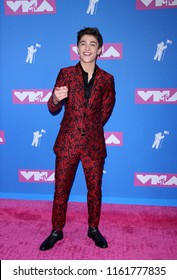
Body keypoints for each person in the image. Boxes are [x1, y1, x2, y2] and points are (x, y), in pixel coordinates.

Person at [40, 27, 116, 251]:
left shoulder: (107, 79)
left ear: (100, 50)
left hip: (93, 144)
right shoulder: (65, 73)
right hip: (67, 143)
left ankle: (93, 229)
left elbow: (105, 112)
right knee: (60, 189)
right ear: (77, 48)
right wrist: (54, 97)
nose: (87, 48)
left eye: (92, 44)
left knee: (95, 190)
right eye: (83, 43)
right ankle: (56, 230)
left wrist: (88, 128)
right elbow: (53, 107)